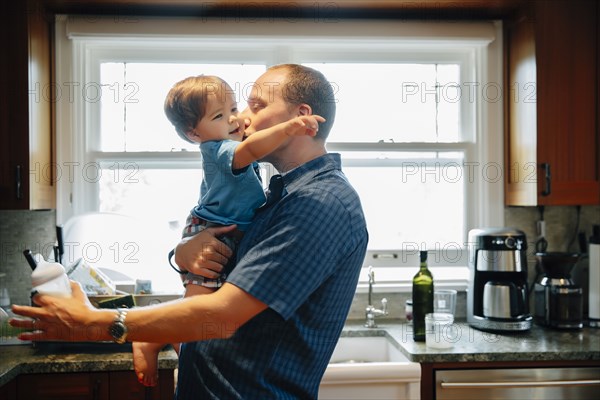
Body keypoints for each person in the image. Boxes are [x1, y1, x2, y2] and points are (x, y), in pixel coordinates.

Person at [10, 64, 368, 399]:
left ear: (301, 118)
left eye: (256, 106)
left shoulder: (320, 202)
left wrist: (96, 321)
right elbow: (226, 270)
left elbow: (224, 315)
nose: (242, 117)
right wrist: (185, 249)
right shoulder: (279, 195)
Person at [132, 75, 325, 386]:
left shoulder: (311, 195)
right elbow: (250, 149)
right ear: (194, 133)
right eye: (220, 116)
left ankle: (174, 340)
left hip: (221, 232)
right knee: (196, 304)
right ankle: (152, 336)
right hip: (214, 229)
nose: (237, 119)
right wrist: (289, 127)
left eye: (234, 108)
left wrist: (181, 252)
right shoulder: (219, 150)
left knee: (199, 310)